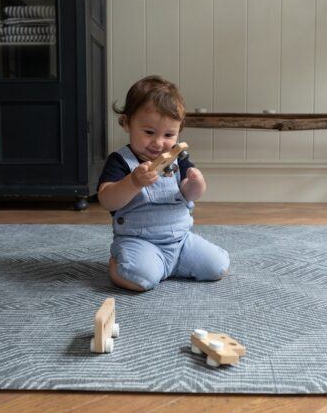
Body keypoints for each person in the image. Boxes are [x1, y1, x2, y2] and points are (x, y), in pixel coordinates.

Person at [97, 75, 229, 291]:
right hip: (139, 242)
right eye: (149, 132)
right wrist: (133, 183)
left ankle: (173, 264)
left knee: (217, 267)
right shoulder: (121, 161)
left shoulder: (178, 160)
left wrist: (196, 185)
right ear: (126, 123)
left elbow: (190, 194)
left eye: (169, 134)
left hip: (180, 241)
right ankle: (118, 264)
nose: (158, 143)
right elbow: (107, 200)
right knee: (139, 279)